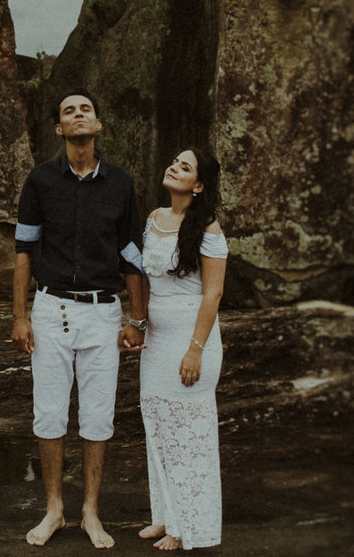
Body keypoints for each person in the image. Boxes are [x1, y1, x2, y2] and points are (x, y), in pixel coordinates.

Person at [11, 88, 147, 549]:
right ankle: (54, 509)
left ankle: (90, 511)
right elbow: (24, 248)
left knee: (98, 416)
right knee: (49, 413)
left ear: (98, 123)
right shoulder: (40, 180)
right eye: (69, 111)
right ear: (59, 128)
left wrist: (137, 319)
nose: (78, 115)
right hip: (50, 310)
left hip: (103, 313)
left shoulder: (120, 183)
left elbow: (131, 254)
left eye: (86, 109)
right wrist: (19, 316)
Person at [134, 147, 227, 551]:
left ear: (199, 185)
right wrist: (138, 323)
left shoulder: (208, 229)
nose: (174, 167)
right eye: (174, 162)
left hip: (191, 339)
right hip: (156, 340)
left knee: (188, 434)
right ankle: (165, 515)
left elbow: (213, 293)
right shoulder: (154, 218)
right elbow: (145, 280)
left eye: (185, 167)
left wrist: (195, 350)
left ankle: (187, 527)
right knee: (158, 424)